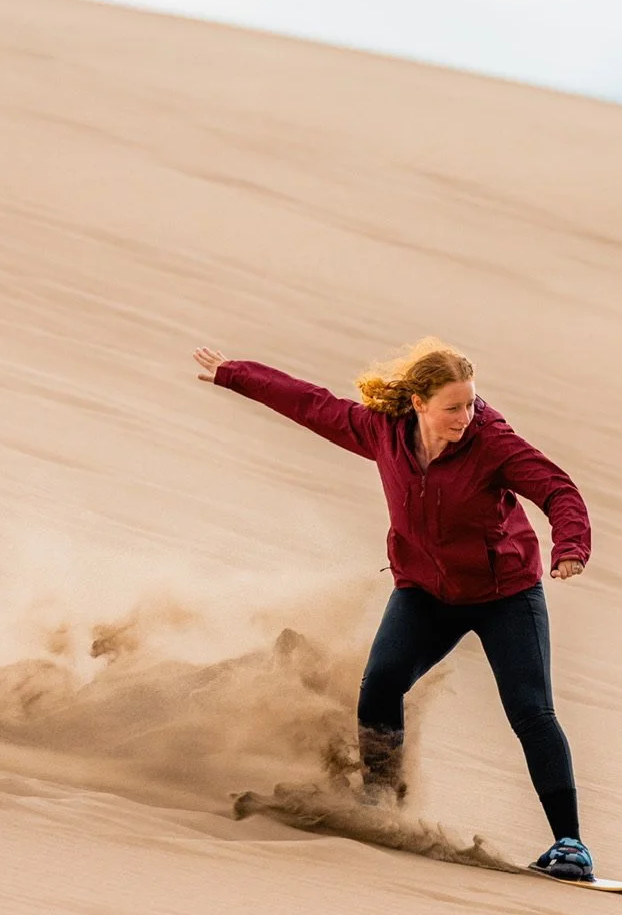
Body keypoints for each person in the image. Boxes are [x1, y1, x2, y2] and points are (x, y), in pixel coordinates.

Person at [194, 337, 597, 881]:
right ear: (418, 404)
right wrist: (234, 373)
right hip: (426, 592)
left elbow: (557, 490)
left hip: (506, 595)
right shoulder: (384, 432)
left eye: (472, 403)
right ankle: (379, 804)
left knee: (531, 711)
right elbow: (313, 405)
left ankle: (569, 844)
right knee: (381, 684)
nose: (466, 416)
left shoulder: (493, 443)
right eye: (454, 407)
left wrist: (570, 548)